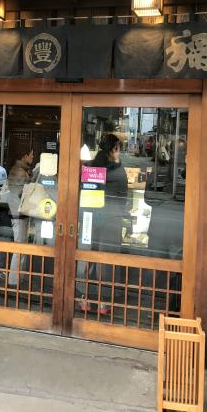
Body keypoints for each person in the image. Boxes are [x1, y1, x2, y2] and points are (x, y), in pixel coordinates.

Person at [80, 134, 128, 314]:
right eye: (118, 149)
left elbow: (82, 191)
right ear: (113, 149)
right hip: (111, 220)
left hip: (90, 218)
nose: (119, 153)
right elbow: (123, 197)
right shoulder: (118, 171)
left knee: (88, 256)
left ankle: (84, 298)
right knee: (107, 259)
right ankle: (103, 301)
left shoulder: (90, 167)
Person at [7, 149, 33, 286]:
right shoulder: (20, 171)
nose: (33, 157)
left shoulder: (20, 169)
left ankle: (18, 278)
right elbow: (23, 192)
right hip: (18, 213)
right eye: (31, 155)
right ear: (25, 156)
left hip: (17, 212)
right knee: (19, 246)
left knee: (21, 245)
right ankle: (13, 280)